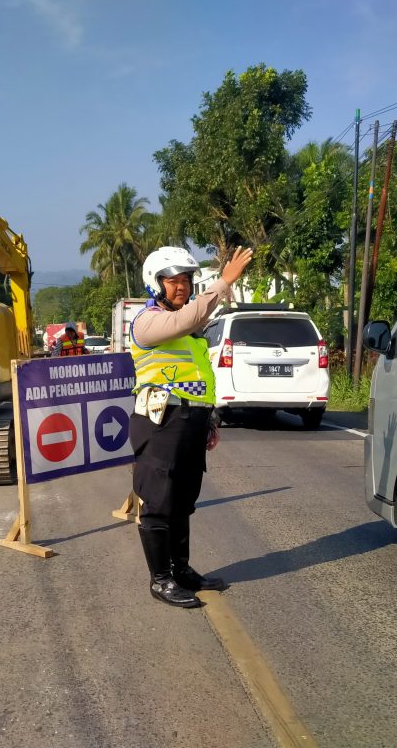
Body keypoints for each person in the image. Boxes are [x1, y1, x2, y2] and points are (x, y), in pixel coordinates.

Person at [129, 244, 254, 608]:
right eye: (173, 281)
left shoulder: (188, 330)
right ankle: (161, 579)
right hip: (160, 423)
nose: (181, 287)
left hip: (190, 422)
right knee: (159, 503)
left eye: (186, 280)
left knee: (183, 502)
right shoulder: (148, 321)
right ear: (156, 284)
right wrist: (223, 282)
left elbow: (200, 378)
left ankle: (181, 569)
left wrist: (209, 418)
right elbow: (186, 319)